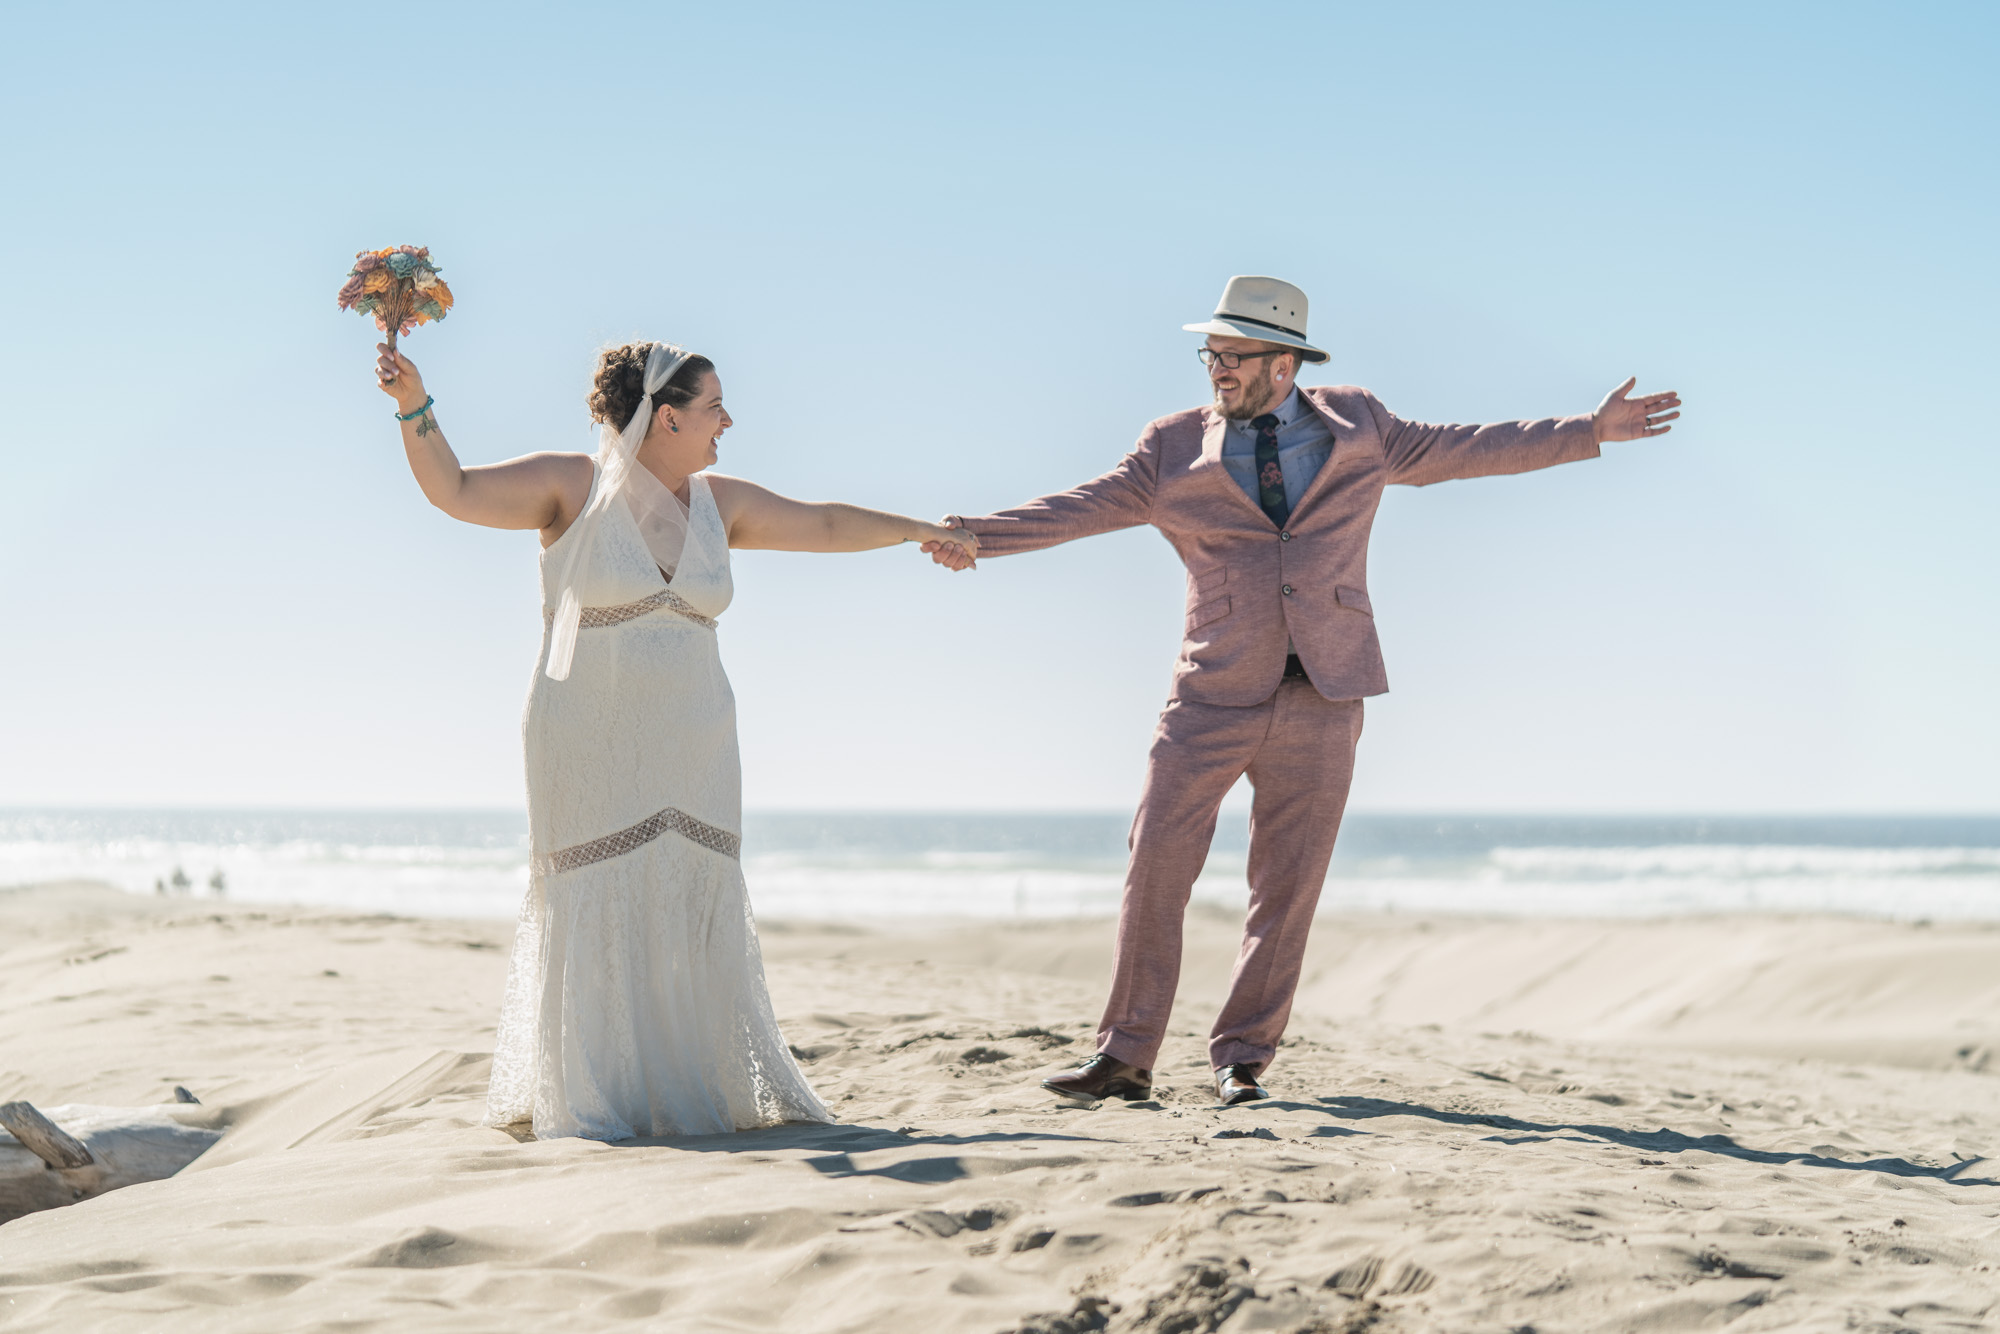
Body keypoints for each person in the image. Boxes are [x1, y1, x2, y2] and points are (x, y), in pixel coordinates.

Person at [925, 276, 1679, 1107]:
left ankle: (1242, 1061)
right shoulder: (1172, 447)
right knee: (1156, 864)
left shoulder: (1363, 427)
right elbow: (1086, 505)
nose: (1217, 369)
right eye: (1210, 354)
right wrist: (977, 538)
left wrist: (1587, 429)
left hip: (1325, 692)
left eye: (1233, 356)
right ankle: (1126, 1057)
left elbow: (1472, 447)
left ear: (1283, 365)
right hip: (1211, 691)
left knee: (1286, 885)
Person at [375, 338, 978, 1139]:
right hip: (584, 735)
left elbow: (825, 522)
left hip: (696, 737)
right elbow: (452, 491)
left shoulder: (717, 502)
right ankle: (600, 1093)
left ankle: (692, 1086)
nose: (728, 420)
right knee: (596, 893)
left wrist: (919, 531)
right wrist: (414, 404)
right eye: (713, 406)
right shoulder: (570, 485)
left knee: (689, 886)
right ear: (666, 417)